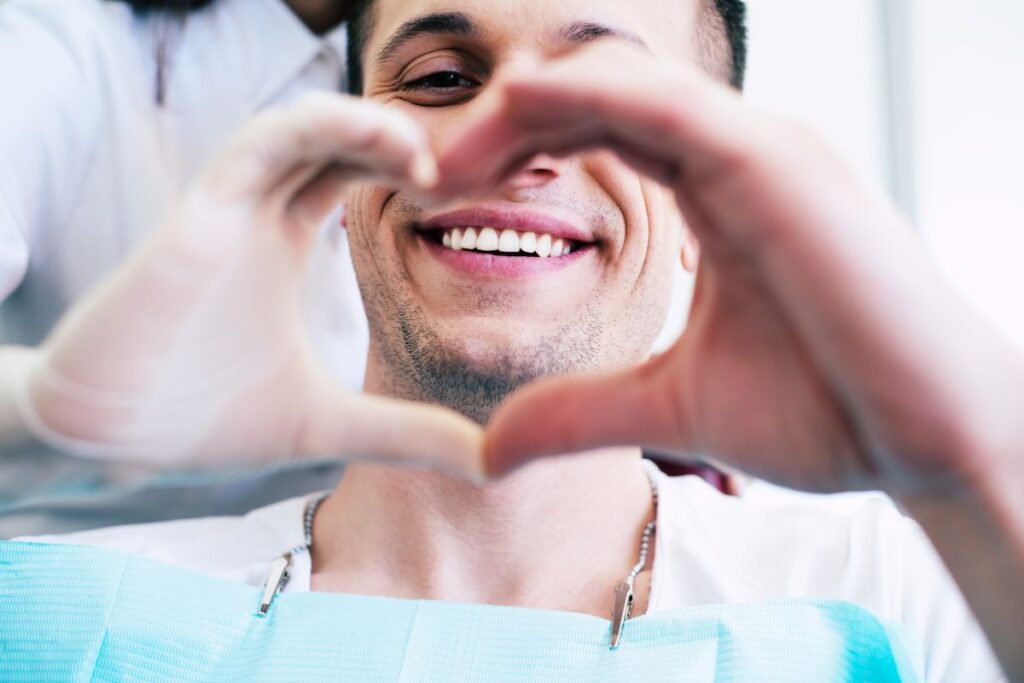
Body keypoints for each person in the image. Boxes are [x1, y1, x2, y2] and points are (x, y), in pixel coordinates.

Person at [6, 0, 1020, 678]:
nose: (510, 146)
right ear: (345, 181)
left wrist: (970, 467)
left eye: (611, 101)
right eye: (441, 78)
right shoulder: (79, 606)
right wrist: (36, 425)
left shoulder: (901, 583)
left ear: (702, 200)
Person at [0, 0, 373, 536]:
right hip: (71, 559)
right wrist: (45, 411)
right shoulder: (58, 48)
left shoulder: (436, 71)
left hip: (335, 563)